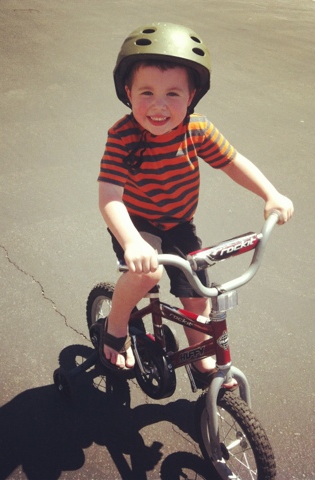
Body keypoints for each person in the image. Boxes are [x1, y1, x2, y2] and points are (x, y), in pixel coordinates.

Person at [97, 23, 293, 387]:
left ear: (192, 96)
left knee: (198, 294)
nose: (159, 105)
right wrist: (132, 241)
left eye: (172, 93)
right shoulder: (122, 136)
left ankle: (200, 355)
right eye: (146, 92)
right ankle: (116, 325)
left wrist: (271, 194)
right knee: (147, 273)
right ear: (127, 92)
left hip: (178, 223)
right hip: (136, 224)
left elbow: (232, 162)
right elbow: (109, 195)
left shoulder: (197, 129)